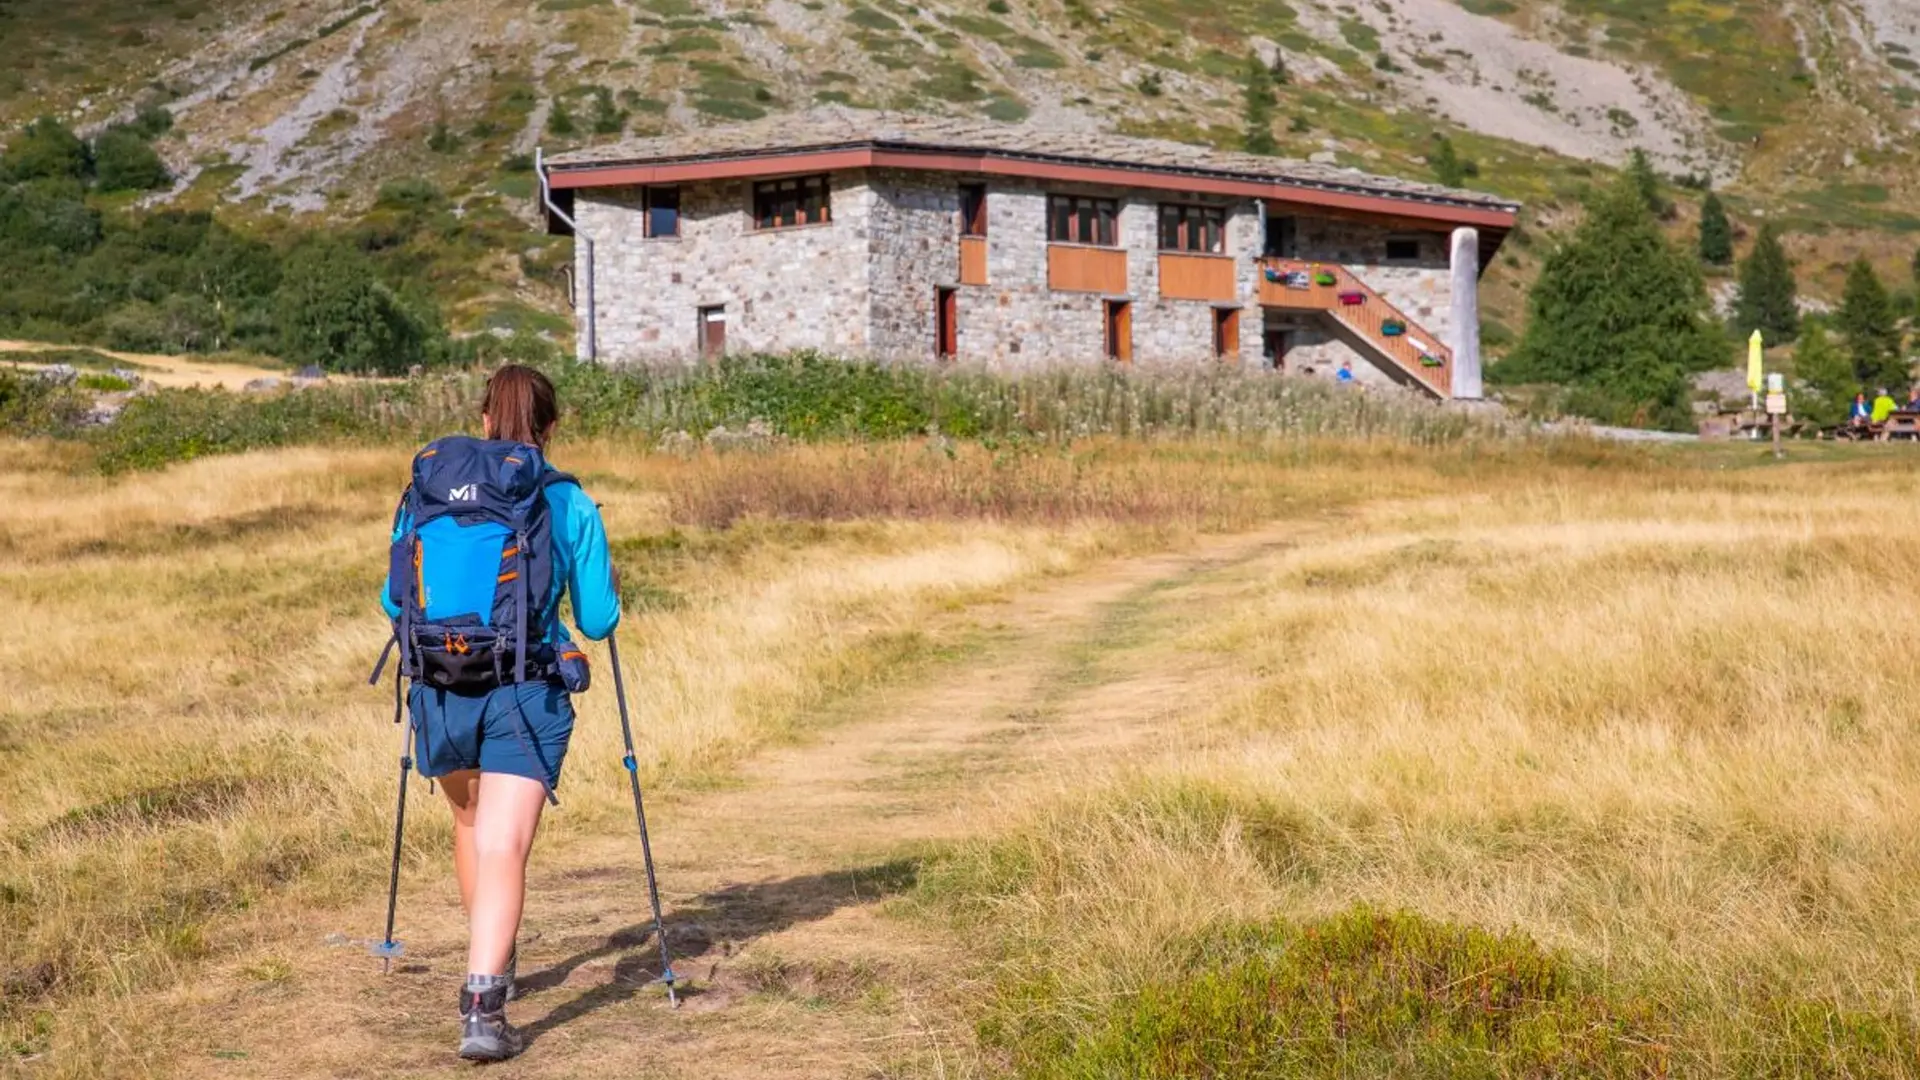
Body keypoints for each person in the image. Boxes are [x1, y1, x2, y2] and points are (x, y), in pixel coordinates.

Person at [379, 365, 620, 1062]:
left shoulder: (425, 491)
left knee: (470, 825)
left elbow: (394, 604)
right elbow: (600, 620)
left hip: (439, 686)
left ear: (484, 418)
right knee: (504, 844)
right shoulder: (566, 499)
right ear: (551, 426)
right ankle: (483, 1011)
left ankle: (494, 959)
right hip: (525, 690)